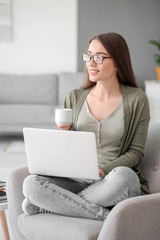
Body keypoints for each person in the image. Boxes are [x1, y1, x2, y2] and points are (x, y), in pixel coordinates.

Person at [22, 32, 150, 221]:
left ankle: (53, 206)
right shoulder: (74, 97)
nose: (90, 62)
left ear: (117, 62)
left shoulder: (137, 99)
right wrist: (64, 135)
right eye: (88, 55)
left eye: (98, 57)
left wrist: (103, 171)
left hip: (110, 180)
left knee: (125, 177)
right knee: (31, 184)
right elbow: (68, 150)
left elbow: (135, 153)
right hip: (77, 180)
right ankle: (105, 216)